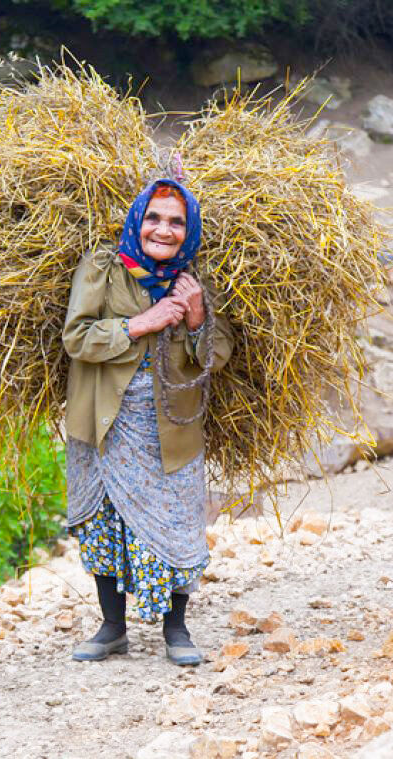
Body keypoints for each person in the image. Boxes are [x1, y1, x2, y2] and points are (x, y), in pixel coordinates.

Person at [62, 178, 233, 665]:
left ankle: (176, 630)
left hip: (171, 427)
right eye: (154, 218)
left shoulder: (194, 280)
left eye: (177, 222)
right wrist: (143, 322)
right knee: (104, 522)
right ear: (138, 219)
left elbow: (217, 356)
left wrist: (197, 316)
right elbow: (76, 338)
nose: (164, 229)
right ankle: (112, 627)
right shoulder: (103, 267)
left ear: (190, 230)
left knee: (177, 523)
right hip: (103, 423)